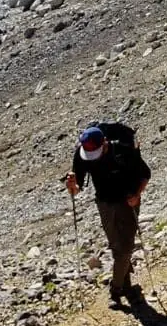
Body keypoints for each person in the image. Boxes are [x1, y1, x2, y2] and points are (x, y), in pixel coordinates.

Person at [64, 124, 151, 306]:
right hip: (104, 203)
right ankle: (127, 285)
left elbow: (145, 174)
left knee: (125, 248)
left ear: (104, 143)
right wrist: (72, 186)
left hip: (128, 201)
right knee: (116, 246)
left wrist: (137, 195)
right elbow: (78, 186)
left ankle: (116, 289)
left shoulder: (123, 150)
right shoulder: (82, 154)